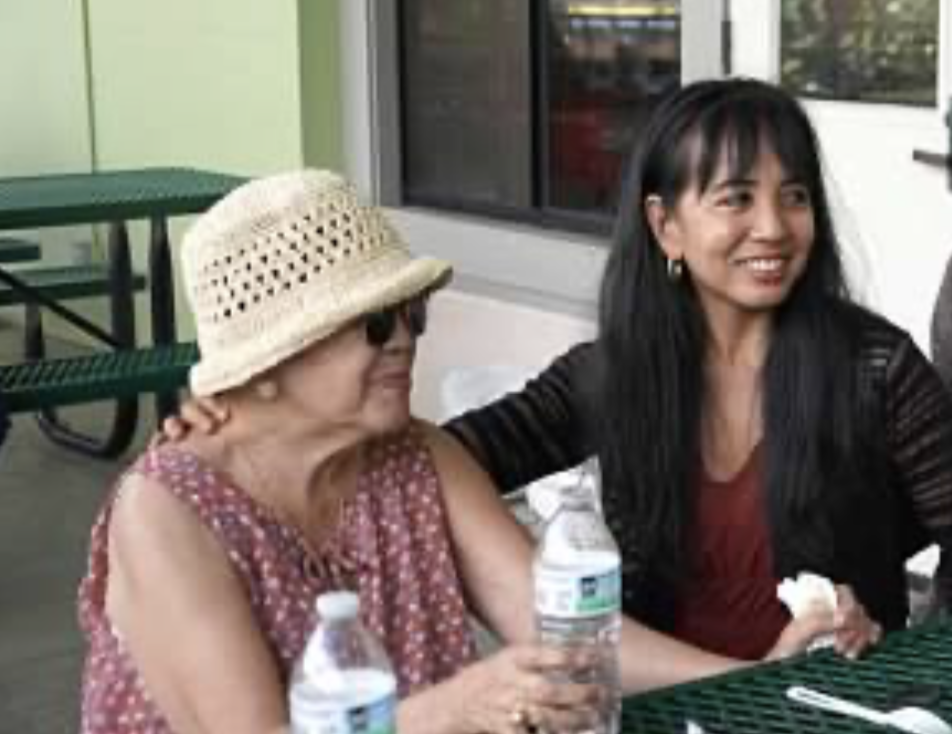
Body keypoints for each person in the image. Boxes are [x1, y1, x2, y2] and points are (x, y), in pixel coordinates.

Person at [74, 169, 841, 734]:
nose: (408, 339)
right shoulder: (166, 512)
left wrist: (754, 675)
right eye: (376, 325)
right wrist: (461, 706)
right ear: (266, 365)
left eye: (413, 315)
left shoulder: (416, 454)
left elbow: (566, 632)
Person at [169, 79, 894, 663]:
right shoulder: (612, 376)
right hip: (661, 718)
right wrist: (235, 429)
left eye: (795, 196)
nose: (773, 226)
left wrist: (895, 657)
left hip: (832, 714)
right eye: (737, 197)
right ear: (665, 226)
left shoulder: (875, 369)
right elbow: (445, 459)